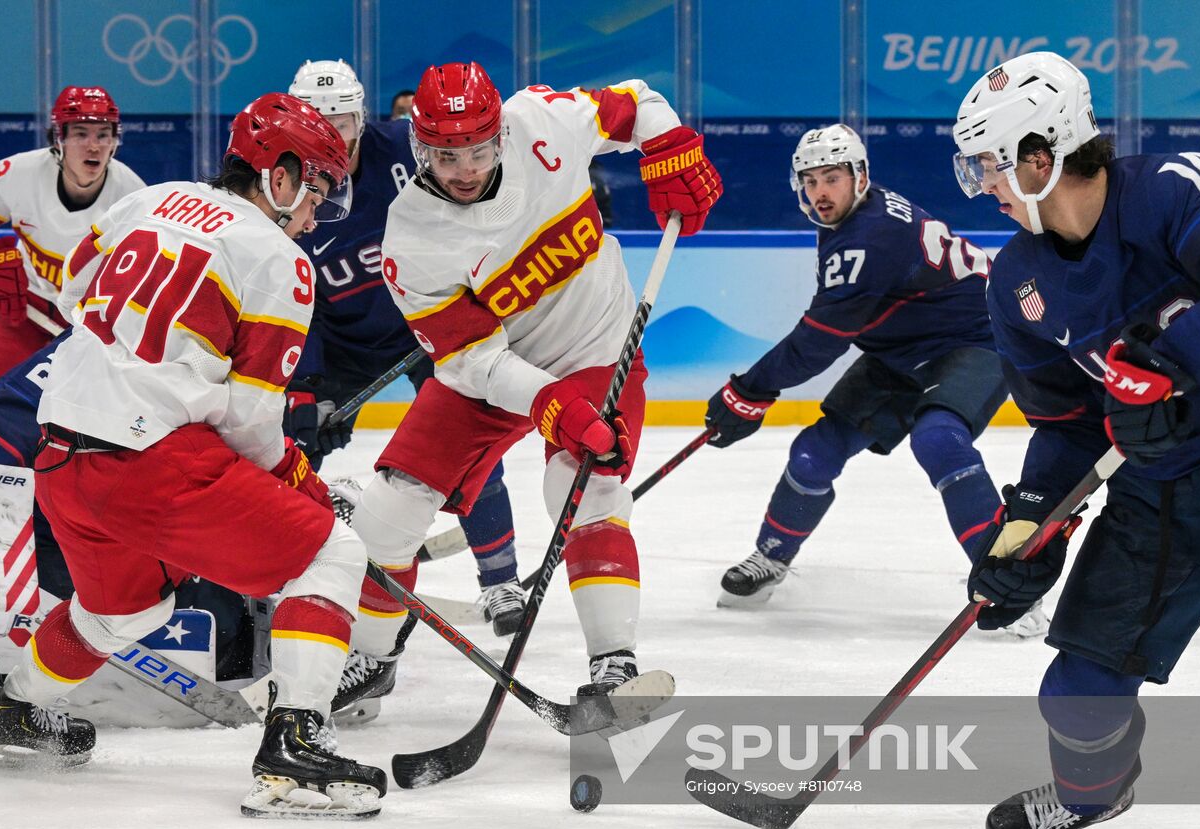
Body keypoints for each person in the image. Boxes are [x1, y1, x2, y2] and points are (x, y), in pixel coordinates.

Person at [0, 93, 389, 819]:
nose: (315, 214)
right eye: (314, 190)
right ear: (279, 178)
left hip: (61, 452)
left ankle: (9, 707)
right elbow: (254, 422)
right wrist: (294, 477)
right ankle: (294, 746)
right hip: (149, 460)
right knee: (331, 554)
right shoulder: (280, 261)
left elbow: (72, 291)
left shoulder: (151, 199)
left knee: (118, 613)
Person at [351, 61, 721, 696]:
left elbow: (635, 100)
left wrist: (668, 149)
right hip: (495, 370)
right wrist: (549, 402)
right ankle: (370, 658)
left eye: (476, 150)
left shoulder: (542, 120)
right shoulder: (410, 236)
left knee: (584, 488)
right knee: (389, 511)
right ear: (420, 150)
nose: (465, 170)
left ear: (500, 133)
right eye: (445, 157)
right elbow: (470, 360)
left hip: (595, 349)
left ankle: (614, 665)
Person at [954, 51, 1200, 829]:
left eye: (992, 167)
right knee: (1076, 694)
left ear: (1041, 157)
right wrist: (1031, 525)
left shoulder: (1176, 189)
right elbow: (1067, 423)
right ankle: (1094, 792)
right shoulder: (1015, 285)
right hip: (1165, 490)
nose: (987, 187)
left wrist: (1173, 371)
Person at [702, 126, 1029, 628]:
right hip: (897, 352)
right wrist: (754, 390)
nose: (820, 193)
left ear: (860, 176)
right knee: (814, 452)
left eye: (832, 178)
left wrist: (749, 389)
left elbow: (819, 340)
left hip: (975, 338)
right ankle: (771, 556)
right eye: (810, 182)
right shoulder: (854, 217)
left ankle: (1010, 585)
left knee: (940, 442)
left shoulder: (870, 235)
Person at [286, 61, 526, 723]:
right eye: (322, 120)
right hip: (340, 344)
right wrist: (306, 389)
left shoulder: (408, 150)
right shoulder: (292, 183)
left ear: (365, 115)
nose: (336, 133)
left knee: (472, 445)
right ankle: (291, 566)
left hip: (426, 329)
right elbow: (293, 298)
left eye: (346, 118)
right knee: (288, 445)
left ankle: (501, 581)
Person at [0, 86, 145, 393]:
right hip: (27, 310)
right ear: (59, 139)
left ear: (115, 142)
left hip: (93, 324)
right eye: (81, 134)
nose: (93, 146)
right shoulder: (18, 173)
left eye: (103, 134)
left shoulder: (134, 196)